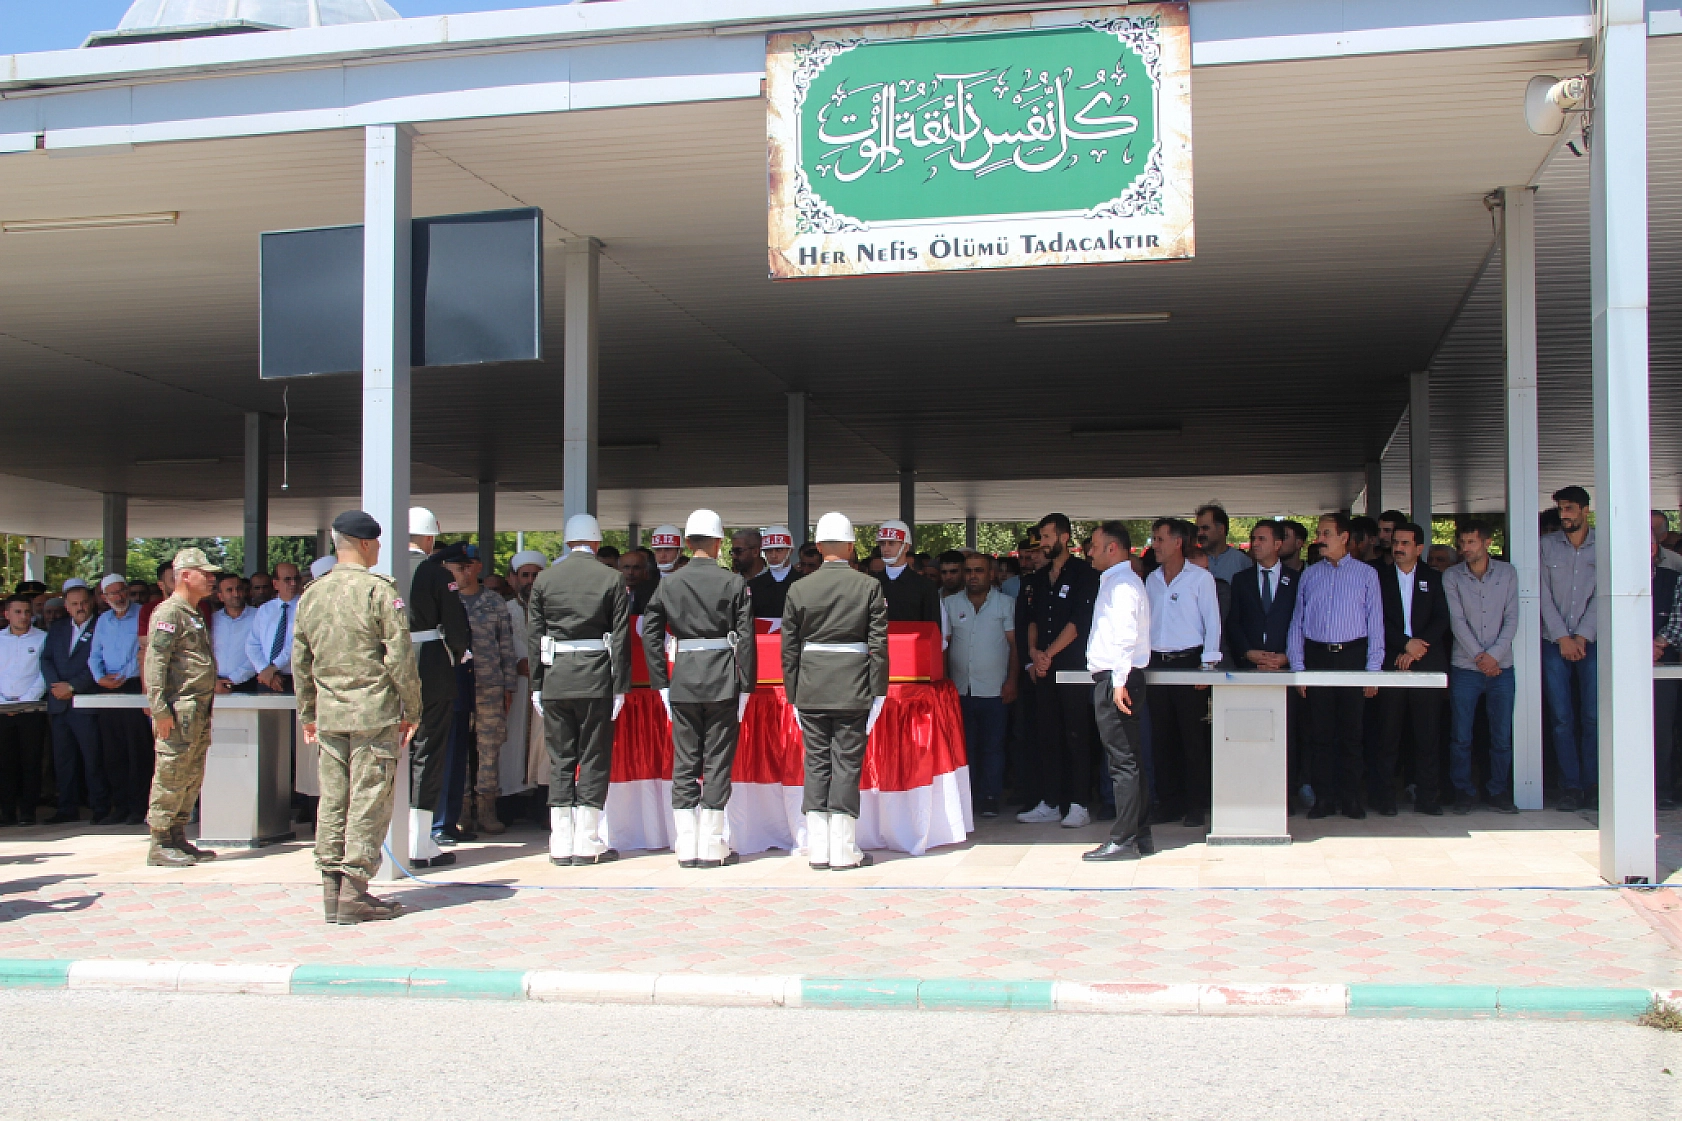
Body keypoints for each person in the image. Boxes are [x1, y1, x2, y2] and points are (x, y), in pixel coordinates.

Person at [292, 511, 418, 925]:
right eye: (377, 543)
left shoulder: (313, 594)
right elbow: (399, 656)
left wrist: (308, 711)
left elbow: (301, 659)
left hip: (330, 715)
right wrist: (412, 708)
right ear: (365, 544)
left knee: (333, 801)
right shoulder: (379, 592)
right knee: (368, 801)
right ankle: (354, 891)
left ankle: (331, 890)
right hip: (372, 712)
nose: (379, 550)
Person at [643, 510, 756, 868]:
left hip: (684, 680)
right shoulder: (733, 582)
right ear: (720, 542)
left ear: (687, 543)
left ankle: (686, 843)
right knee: (717, 760)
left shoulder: (669, 583)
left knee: (685, 760)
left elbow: (650, 633)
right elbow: (747, 639)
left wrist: (661, 680)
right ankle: (711, 844)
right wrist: (747, 685)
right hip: (723, 679)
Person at [782, 512, 889, 872]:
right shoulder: (868, 586)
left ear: (819, 546)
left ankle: (818, 849)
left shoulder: (798, 588)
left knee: (815, 762)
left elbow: (789, 648)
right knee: (846, 763)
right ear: (849, 547)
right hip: (852, 686)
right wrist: (879, 691)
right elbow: (878, 645)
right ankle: (843, 850)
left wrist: (793, 692)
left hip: (810, 687)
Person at [528, 513, 632, 866]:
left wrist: (537, 684)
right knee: (593, 756)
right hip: (595, 676)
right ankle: (587, 840)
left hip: (556, 677)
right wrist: (620, 685)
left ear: (567, 540)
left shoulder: (544, 579)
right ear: (597, 540)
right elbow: (620, 637)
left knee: (560, 759)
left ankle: (560, 840)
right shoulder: (612, 578)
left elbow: (535, 635)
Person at [1287, 513, 1385, 819]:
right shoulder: (1310, 575)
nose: (1320, 539)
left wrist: (1373, 669)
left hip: (1352, 656)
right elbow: (1297, 622)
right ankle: (1324, 799)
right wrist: (1299, 667)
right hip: (1317, 657)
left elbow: (1376, 622)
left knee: (1352, 734)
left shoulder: (1366, 574)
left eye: (1326, 533)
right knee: (1320, 734)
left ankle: (1351, 799)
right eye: (1319, 533)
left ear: (1344, 537)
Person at [1016, 513, 1102, 828]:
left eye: (1049, 537)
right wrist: (1036, 655)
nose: (1044, 543)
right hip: (1044, 669)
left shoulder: (1084, 574)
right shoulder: (1037, 579)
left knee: (1076, 734)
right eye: (1042, 537)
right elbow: (1032, 620)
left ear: (1064, 537)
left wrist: (1049, 654)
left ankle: (1079, 803)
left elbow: (1079, 622)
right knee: (1046, 734)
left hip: (1073, 667)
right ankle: (1050, 801)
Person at [141, 548, 222, 867]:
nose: (212, 579)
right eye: (206, 573)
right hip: (177, 711)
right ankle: (160, 840)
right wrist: (159, 709)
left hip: (197, 711)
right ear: (186, 575)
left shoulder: (193, 612)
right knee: (171, 772)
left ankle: (177, 835)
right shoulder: (168, 613)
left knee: (190, 774)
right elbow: (155, 663)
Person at [403, 507, 472, 867]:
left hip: (387, 668)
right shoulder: (435, 572)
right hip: (429, 667)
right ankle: (418, 842)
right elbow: (455, 623)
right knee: (426, 752)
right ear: (430, 538)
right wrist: (459, 652)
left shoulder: (383, 571)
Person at [1081, 522, 1154, 861]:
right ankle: (1139, 834)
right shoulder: (1118, 581)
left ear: (1113, 548)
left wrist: (1120, 681)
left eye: (1094, 546)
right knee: (1129, 760)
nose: (1089, 551)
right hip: (1117, 676)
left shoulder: (1123, 584)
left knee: (1122, 762)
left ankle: (1124, 839)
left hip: (1117, 677)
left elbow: (1125, 635)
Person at [1143, 517, 1222, 828]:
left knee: (1192, 738)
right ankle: (1169, 802)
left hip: (1189, 662)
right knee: (1162, 738)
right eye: (1154, 539)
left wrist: (1208, 667)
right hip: (1157, 663)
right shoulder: (1151, 580)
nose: (1155, 545)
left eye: (1160, 539)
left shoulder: (1200, 579)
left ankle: (1195, 804)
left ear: (1178, 542)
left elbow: (1213, 623)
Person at [1442, 522, 1520, 814]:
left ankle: (1498, 791)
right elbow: (1456, 621)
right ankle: (1463, 791)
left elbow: (1512, 618)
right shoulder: (1452, 576)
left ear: (1487, 543)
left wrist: (1494, 656)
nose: (1466, 548)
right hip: (1465, 666)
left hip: (1502, 667)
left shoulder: (1507, 573)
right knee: (1461, 735)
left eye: (1472, 542)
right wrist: (1481, 657)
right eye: (1462, 542)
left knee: (1501, 736)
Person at [1374, 522, 1450, 816]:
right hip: (1392, 660)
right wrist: (1405, 645)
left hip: (1426, 663)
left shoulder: (1435, 578)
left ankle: (1429, 797)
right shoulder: (1378, 577)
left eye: (1405, 543)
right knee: (1388, 734)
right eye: (1396, 542)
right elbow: (1376, 619)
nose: (1398, 548)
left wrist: (1418, 648)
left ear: (1419, 548)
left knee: (1427, 734)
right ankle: (1384, 798)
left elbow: (1442, 618)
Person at [444, 544, 518, 837]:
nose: (463, 571)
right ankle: (461, 809)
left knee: (489, 747)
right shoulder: (446, 600)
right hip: (456, 685)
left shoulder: (494, 602)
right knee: (458, 748)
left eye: (468, 565)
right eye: (457, 566)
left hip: (489, 684)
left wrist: (508, 685)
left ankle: (487, 807)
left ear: (477, 567)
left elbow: (506, 646)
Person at [1540, 485, 1598, 810]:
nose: (1565, 515)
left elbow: (1605, 593)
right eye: (1561, 509)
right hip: (1553, 642)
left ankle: (1593, 784)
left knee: (1592, 716)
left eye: (1570, 509)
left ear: (1585, 510)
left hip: (1590, 642)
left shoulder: (1603, 544)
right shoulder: (1545, 546)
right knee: (1562, 717)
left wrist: (1582, 636)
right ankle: (1570, 786)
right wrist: (1562, 636)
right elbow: (1542, 595)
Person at [946, 551, 1017, 818]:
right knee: (965, 747)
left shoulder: (1005, 604)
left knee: (993, 747)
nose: (972, 576)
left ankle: (989, 797)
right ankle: (967, 797)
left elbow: (1014, 646)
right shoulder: (951, 604)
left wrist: (1012, 680)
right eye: (969, 571)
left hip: (995, 689)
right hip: (960, 690)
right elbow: (946, 645)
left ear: (991, 574)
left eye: (978, 571)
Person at [40, 584, 108, 825]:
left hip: (85, 702)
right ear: (66, 606)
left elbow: (99, 662)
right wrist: (55, 685)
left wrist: (73, 686)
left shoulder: (101, 625)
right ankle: (66, 807)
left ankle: (100, 806)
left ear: (91, 602)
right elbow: (46, 659)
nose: (80, 608)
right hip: (59, 704)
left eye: (84, 603)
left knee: (92, 758)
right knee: (63, 759)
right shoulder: (57, 628)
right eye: (74, 604)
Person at [89, 573, 150, 825]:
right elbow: (94, 655)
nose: (119, 596)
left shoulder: (141, 614)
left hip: (135, 685)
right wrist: (100, 677)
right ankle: (120, 805)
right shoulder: (103, 620)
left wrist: (122, 676)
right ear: (104, 597)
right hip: (108, 690)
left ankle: (138, 807)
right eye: (112, 593)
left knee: (137, 750)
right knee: (113, 751)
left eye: (122, 590)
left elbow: (142, 652)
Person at [0, 595, 49, 826]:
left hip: (32, 709)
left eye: (27, 612)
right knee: (5, 762)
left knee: (30, 761)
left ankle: (28, 811)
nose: (23, 617)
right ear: (6, 614)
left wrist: (25, 701)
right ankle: (6, 811)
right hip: (2, 710)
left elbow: (44, 673)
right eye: (17, 612)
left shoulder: (43, 639)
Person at [1227, 521, 1297, 672]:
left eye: (1261, 539)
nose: (1255, 544)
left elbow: (1302, 623)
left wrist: (1287, 656)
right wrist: (1247, 652)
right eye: (1253, 539)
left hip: (1285, 666)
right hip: (1249, 666)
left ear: (1277, 544)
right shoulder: (1241, 579)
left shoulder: (1296, 580)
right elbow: (1233, 622)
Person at [1651, 534, 1681, 811]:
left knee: (1662, 729)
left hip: (1664, 663)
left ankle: (1662, 790)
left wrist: (1658, 644)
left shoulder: (1672, 578)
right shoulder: (1611, 577)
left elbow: (1678, 618)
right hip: (1620, 662)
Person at [874, 520, 944, 624]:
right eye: (882, 544)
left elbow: (932, 629)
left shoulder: (925, 586)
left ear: (906, 547)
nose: (886, 549)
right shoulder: (871, 584)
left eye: (892, 543)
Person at [245, 562, 300, 694]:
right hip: (266, 677)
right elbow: (252, 643)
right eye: (287, 579)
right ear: (275, 584)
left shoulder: (305, 607)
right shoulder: (265, 609)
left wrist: (274, 667)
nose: (293, 584)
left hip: (295, 677)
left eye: (296, 579)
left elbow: (297, 642)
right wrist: (264, 670)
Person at [210, 572, 257, 694]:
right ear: (220, 596)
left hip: (248, 683)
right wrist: (213, 681)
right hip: (215, 684)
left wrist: (233, 679)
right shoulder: (212, 620)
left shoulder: (258, 616)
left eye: (239, 589)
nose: (236, 594)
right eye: (229, 590)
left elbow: (260, 652)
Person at [748, 525, 802, 621]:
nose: (773, 555)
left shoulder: (803, 583)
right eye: (769, 551)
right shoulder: (753, 586)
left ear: (790, 551)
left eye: (779, 550)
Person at [1194, 504, 1253, 585]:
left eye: (1205, 528)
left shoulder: (1242, 561)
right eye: (1198, 529)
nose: (1199, 533)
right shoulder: (1191, 561)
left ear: (1221, 529)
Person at [618, 548, 660, 615]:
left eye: (636, 568)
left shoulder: (656, 595)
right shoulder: (612, 594)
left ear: (646, 571)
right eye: (626, 567)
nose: (631, 572)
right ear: (618, 570)